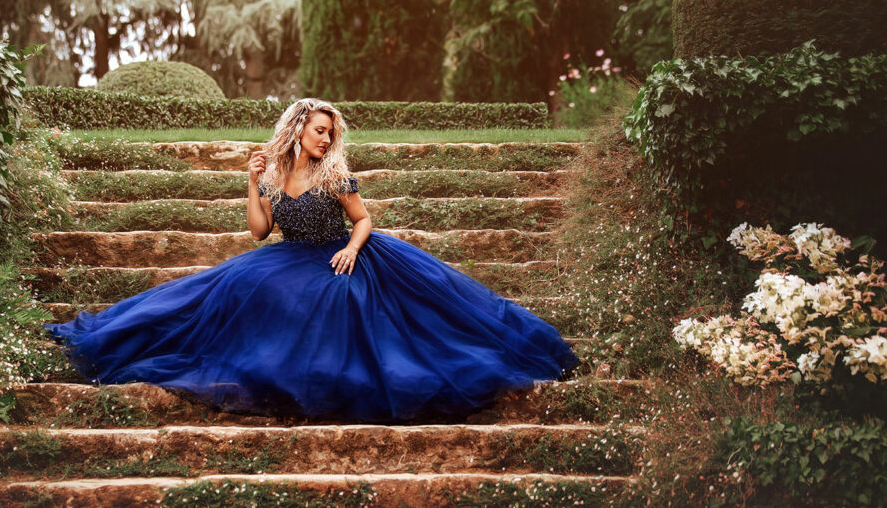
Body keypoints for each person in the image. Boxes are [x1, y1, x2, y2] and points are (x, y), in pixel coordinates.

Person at [44, 98, 579, 423]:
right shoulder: (275, 176)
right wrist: (251, 180)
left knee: (344, 300)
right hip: (287, 257)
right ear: (298, 129)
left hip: (341, 255)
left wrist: (349, 248)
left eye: (331, 132)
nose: (327, 138)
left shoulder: (336, 176)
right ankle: (122, 338)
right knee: (226, 289)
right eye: (320, 130)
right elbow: (259, 232)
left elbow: (364, 220)